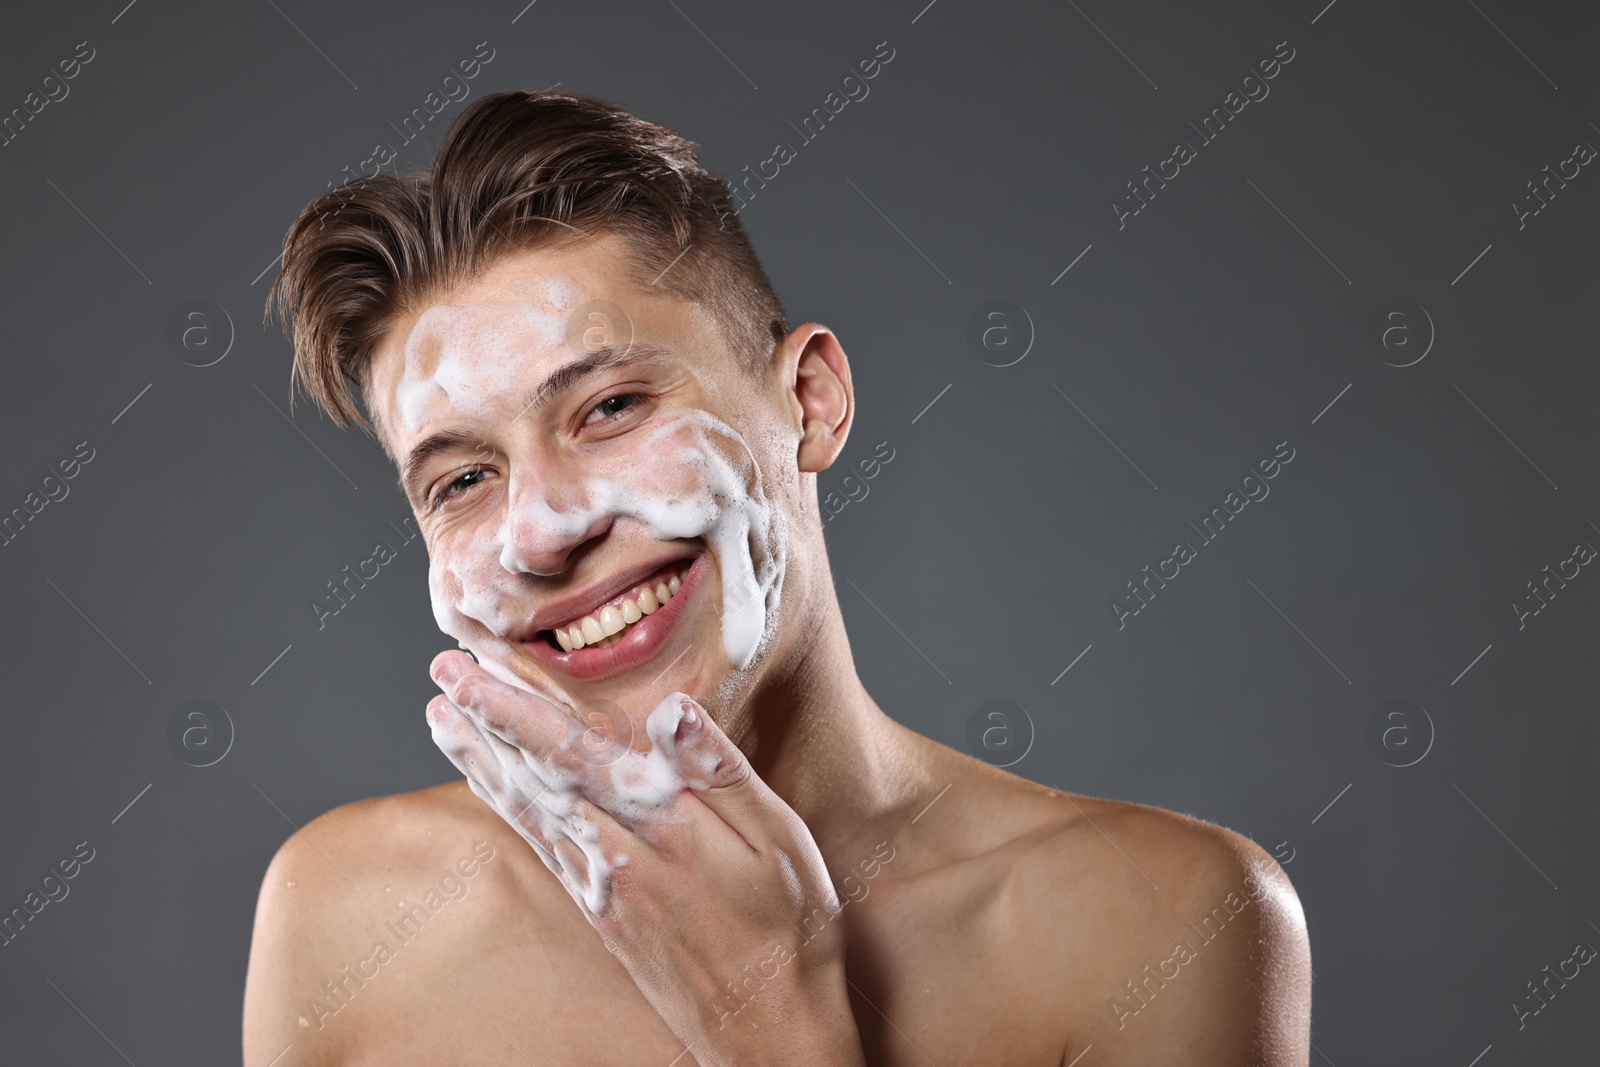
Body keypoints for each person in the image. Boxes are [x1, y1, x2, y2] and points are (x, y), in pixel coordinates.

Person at [243, 90, 1311, 1066]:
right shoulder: (345, 912)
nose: (542, 531)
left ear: (810, 400)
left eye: (610, 407)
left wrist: (775, 1030)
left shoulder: (1161, 924)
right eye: (463, 477)